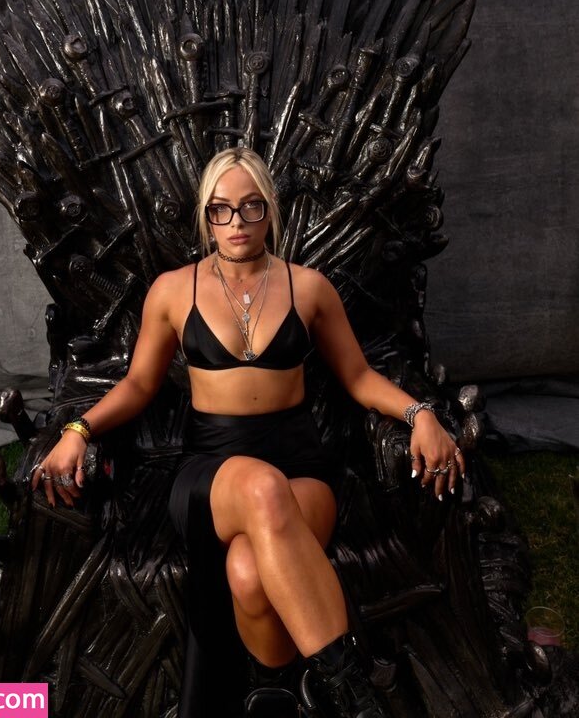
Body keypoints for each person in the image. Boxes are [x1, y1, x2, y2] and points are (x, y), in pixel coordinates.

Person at [32, 147, 464, 718]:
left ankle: (278, 681)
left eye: (251, 206)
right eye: (221, 209)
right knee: (260, 487)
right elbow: (137, 385)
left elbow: (359, 377)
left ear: (270, 209)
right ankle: (358, 694)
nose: (236, 222)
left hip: (302, 468)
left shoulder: (309, 288)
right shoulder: (172, 290)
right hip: (211, 476)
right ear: (206, 216)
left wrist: (421, 415)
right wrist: (78, 429)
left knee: (247, 571)